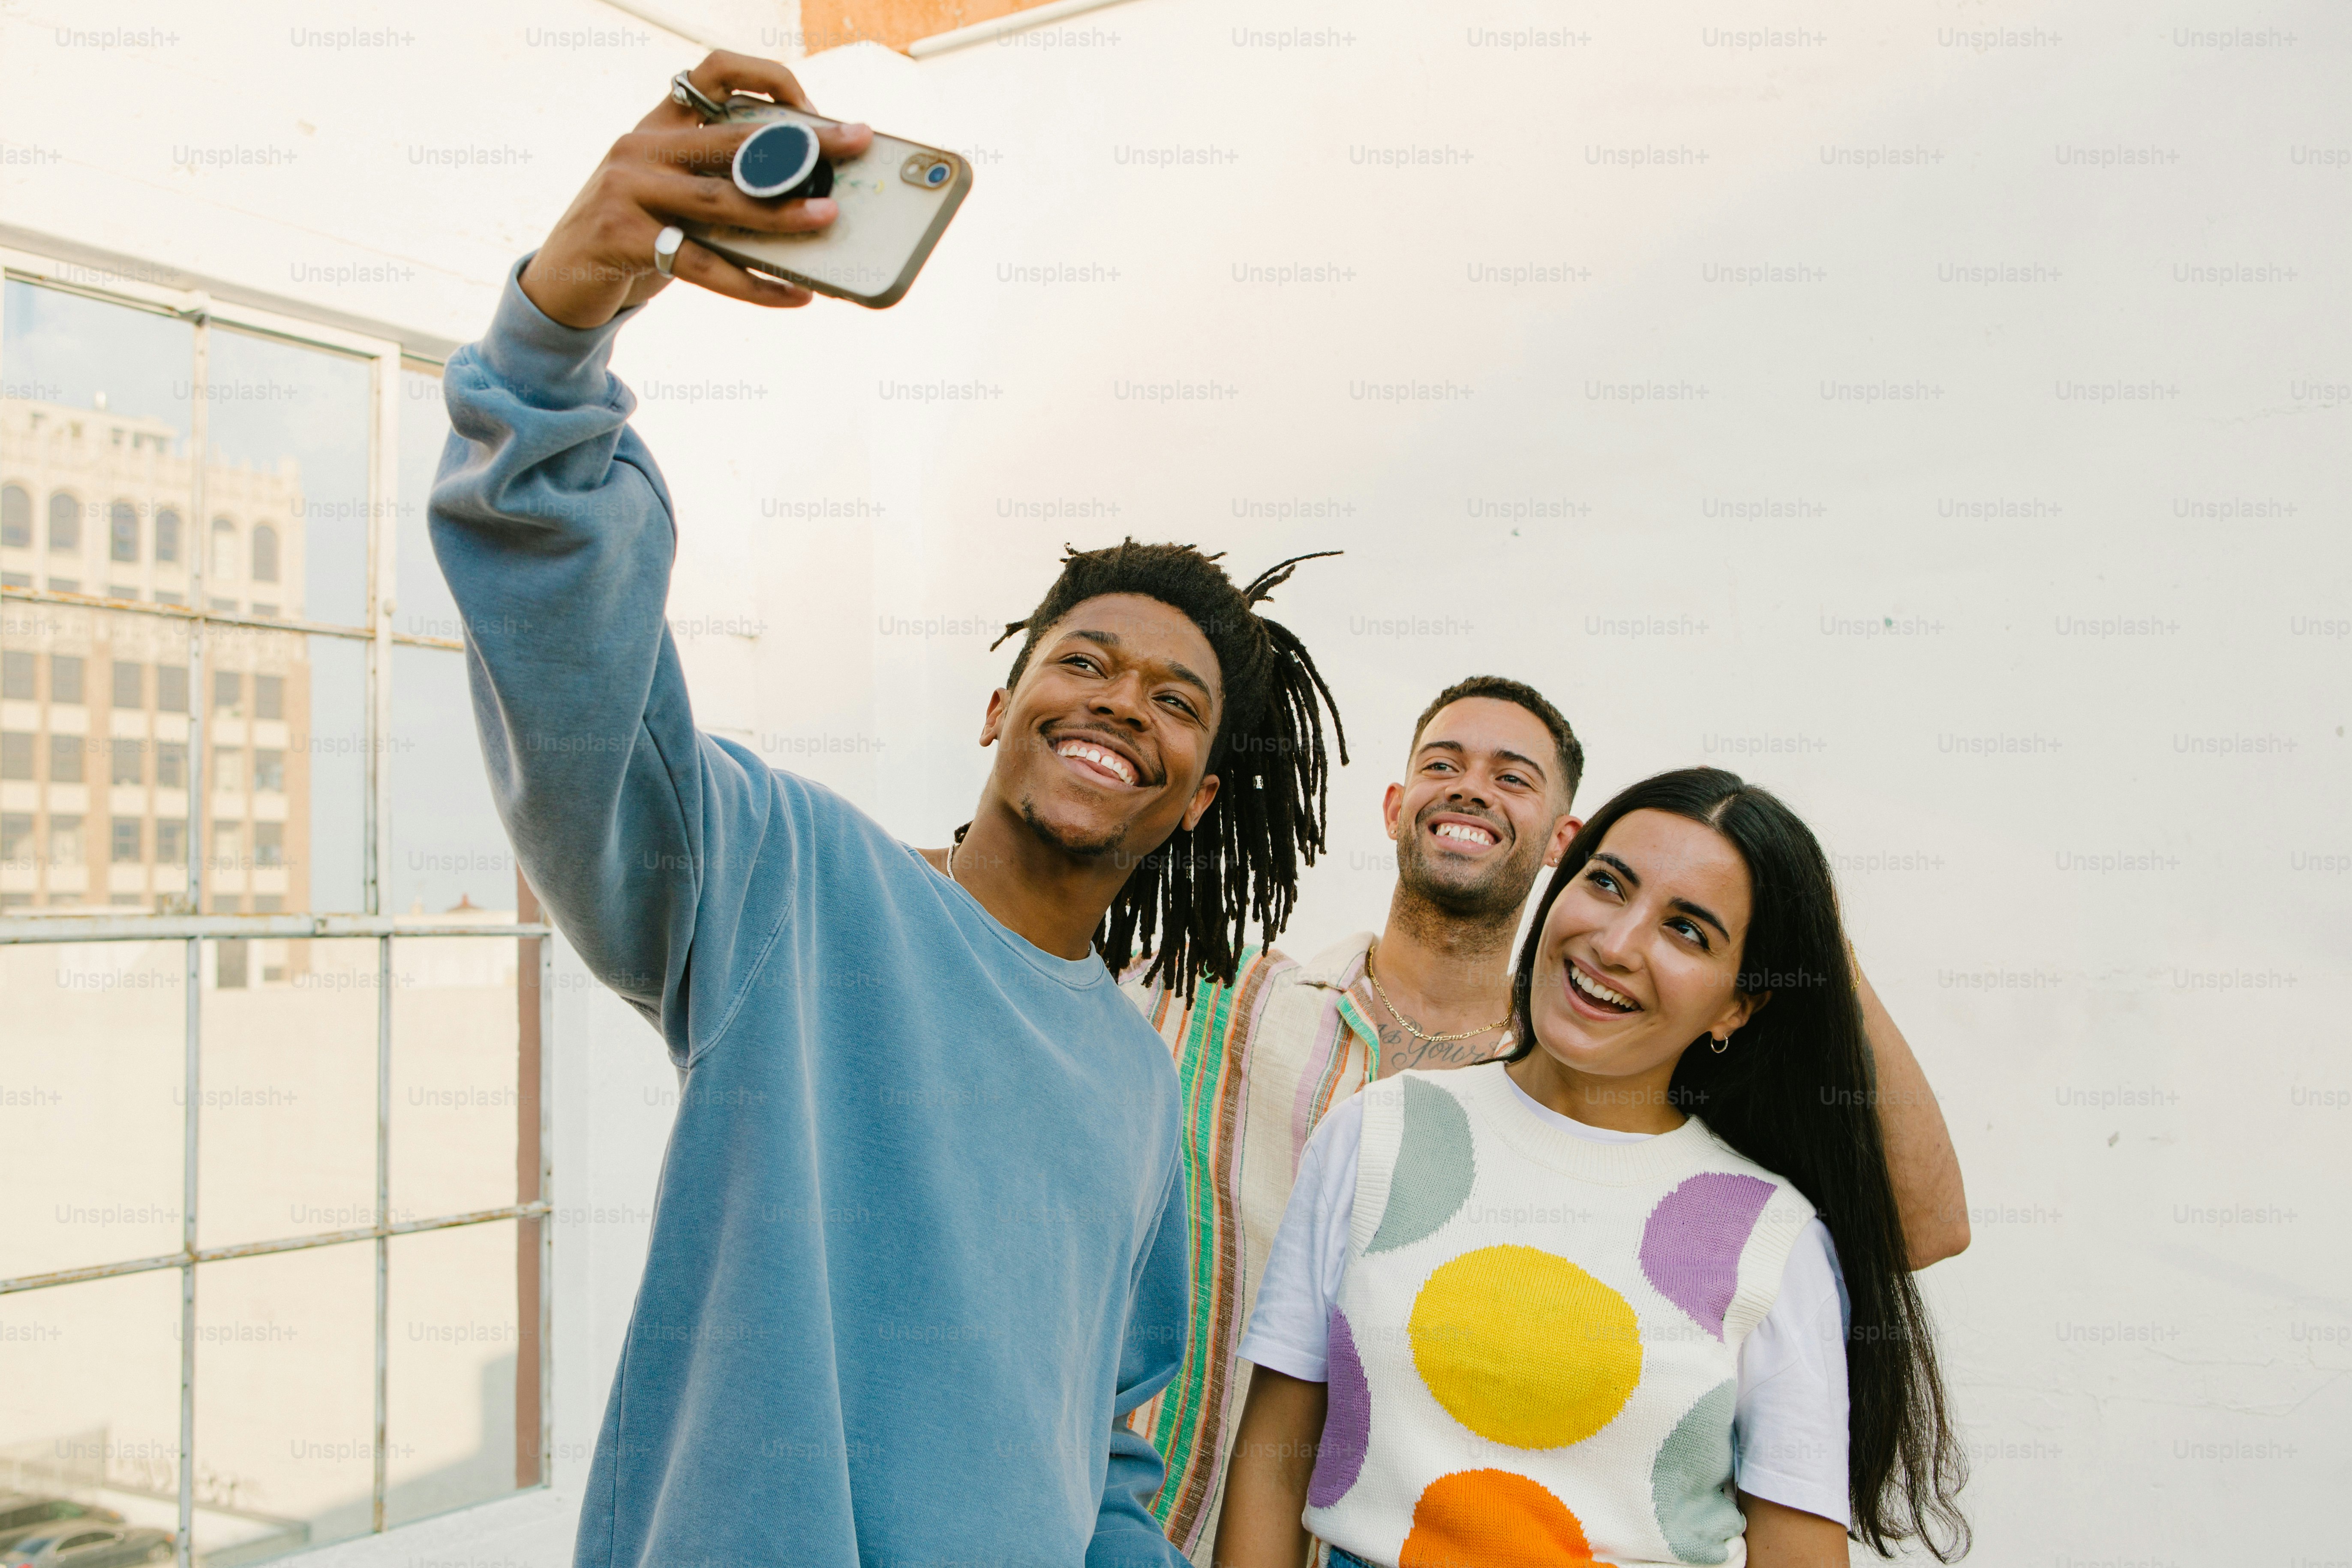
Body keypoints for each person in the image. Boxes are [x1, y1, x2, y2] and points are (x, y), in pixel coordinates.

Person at [426, 52, 1347, 1568]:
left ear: (1193, 800)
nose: (1121, 700)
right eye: (1082, 661)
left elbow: (1096, 1453)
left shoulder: (1134, 1079)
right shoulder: (790, 882)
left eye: (1175, 700)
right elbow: (580, 693)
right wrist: (553, 342)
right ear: (1000, 705)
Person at [1121, 678, 1967, 1559]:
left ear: (1738, 1004)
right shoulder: (1340, 1098)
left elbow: (1923, 1228)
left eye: (1688, 930)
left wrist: (1813, 922)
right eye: (1608, 884)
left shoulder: (1773, 1235)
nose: (1617, 942)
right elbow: (1275, 1461)